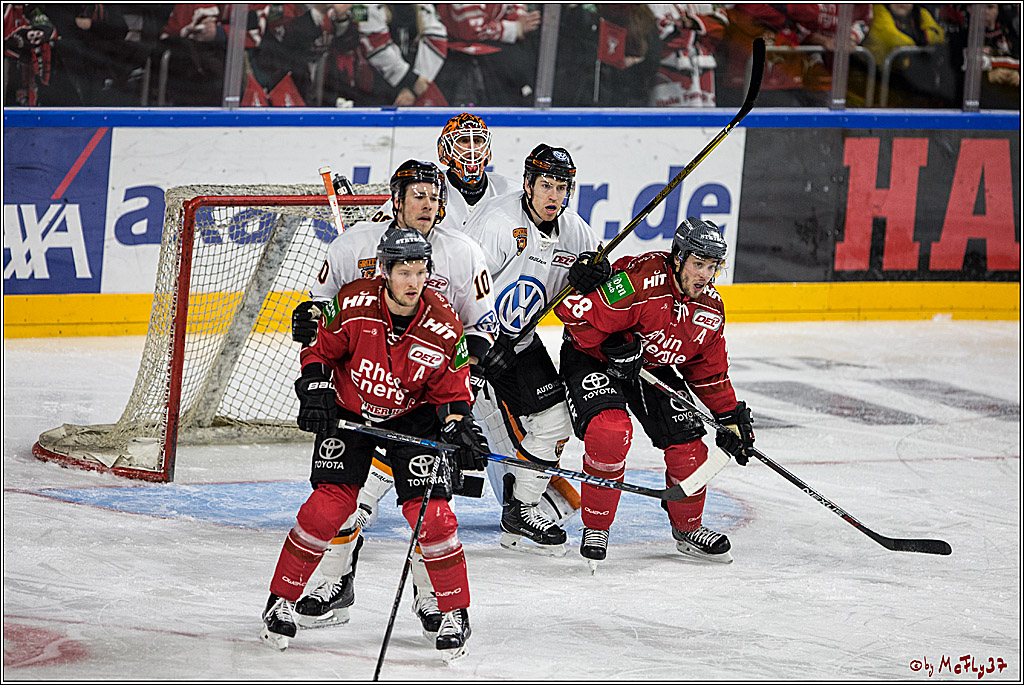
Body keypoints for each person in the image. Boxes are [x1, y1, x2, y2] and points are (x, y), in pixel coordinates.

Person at [261, 226, 490, 663]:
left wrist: (457, 426)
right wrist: (314, 388)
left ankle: (454, 612)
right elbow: (320, 350)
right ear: (384, 270)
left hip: (413, 420)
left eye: (421, 271)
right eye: (404, 271)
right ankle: (281, 599)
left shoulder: (443, 324)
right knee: (327, 508)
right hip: (350, 414)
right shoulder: (351, 302)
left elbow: (451, 392)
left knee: (434, 518)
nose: (413, 282)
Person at [554, 217, 757, 569]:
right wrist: (615, 343)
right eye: (698, 264)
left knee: (691, 446)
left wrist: (728, 414)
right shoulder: (641, 279)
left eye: (712, 267)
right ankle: (597, 526)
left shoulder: (709, 308)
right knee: (610, 432)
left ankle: (689, 528)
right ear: (678, 258)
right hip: (593, 358)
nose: (705, 275)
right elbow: (571, 311)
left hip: (648, 369)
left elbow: (707, 370)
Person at [461, 144, 604, 555]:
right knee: (427, 422)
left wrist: (597, 276)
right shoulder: (498, 223)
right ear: (527, 184)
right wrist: (477, 345)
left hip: (518, 344)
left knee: (555, 419)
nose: (554, 196)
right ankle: (361, 502)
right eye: (546, 185)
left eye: (562, 187)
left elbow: (604, 289)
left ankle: (520, 511)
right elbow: (455, 287)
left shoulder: (575, 232)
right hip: (465, 341)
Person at [370, 112, 520, 229]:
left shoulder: (510, 191)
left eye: (478, 141)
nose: (472, 148)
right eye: (464, 141)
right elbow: (376, 232)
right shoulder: (425, 187)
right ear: (447, 149)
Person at [434, 3, 541, 106]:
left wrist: (513, 27)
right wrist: (514, 28)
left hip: (503, 58)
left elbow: (521, 19)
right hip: (462, 61)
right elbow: (471, 28)